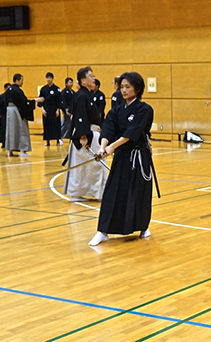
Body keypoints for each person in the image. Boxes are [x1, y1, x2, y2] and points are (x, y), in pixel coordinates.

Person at [89, 71, 158, 246]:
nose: (124, 90)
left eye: (127, 87)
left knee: (139, 194)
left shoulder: (145, 110)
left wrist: (112, 147)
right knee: (112, 192)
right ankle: (102, 231)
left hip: (138, 157)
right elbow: (108, 128)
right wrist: (103, 147)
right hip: (121, 157)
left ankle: (143, 227)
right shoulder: (117, 110)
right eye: (122, 87)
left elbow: (132, 132)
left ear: (138, 88)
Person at [63, 67, 108, 202]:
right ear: (83, 81)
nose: (94, 78)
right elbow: (80, 117)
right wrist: (83, 136)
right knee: (95, 165)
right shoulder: (82, 95)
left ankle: (92, 192)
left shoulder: (85, 94)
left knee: (88, 166)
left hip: (90, 133)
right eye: (91, 76)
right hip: (86, 134)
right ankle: (81, 193)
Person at [5, 74, 44, 157]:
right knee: (22, 130)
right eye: (22, 80)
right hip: (17, 112)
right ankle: (22, 151)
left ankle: (10, 151)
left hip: (9, 112)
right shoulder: (18, 91)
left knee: (11, 131)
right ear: (17, 80)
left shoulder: (9, 90)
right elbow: (24, 103)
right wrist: (35, 100)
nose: (22, 82)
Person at [38, 72, 63, 146]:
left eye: (50, 78)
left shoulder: (56, 88)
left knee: (56, 124)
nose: (48, 79)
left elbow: (59, 100)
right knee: (46, 125)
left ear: (52, 79)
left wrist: (58, 109)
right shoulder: (43, 89)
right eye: (47, 78)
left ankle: (58, 140)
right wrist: (42, 109)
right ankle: (47, 141)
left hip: (54, 109)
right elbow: (41, 100)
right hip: (46, 109)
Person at [0, 83, 10, 149]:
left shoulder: (11, 96)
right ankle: (3, 143)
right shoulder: (1, 97)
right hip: (3, 115)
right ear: (5, 89)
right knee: (3, 128)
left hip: (10, 115)